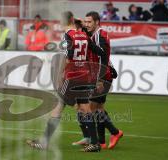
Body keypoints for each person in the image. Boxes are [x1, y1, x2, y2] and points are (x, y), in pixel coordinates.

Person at [26, 11, 106, 152]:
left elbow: (66, 58)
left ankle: (44, 142)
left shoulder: (67, 36)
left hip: (72, 77)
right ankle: (95, 143)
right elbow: (100, 51)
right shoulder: (84, 35)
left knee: (58, 107)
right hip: (84, 76)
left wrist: (60, 76)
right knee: (85, 109)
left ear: (64, 22)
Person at [72, 11, 123, 150]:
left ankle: (113, 133)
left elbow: (103, 57)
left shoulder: (101, 35)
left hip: (103, 77)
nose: (87, 24)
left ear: (97, 22)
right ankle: (101, 141)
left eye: (89, 22)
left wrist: (100, 79)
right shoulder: (90, 33)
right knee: (98, 109)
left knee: (88, 109)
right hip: (97, 76)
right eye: (86, 22)